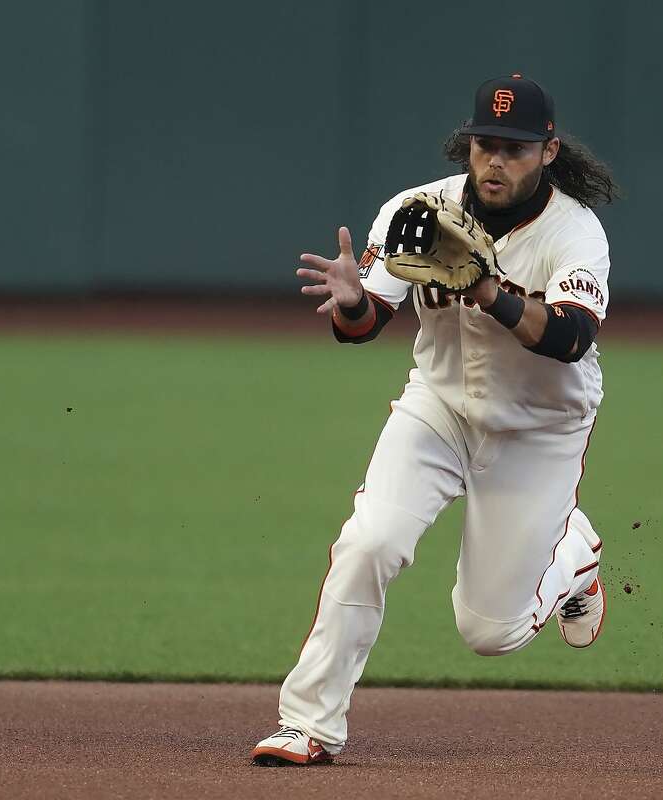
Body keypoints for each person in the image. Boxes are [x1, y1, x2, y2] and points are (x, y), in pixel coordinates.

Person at [251, 74, 620, 767]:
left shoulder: (575, 232)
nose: (496, 161)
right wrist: (352, 300)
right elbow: (360, 328)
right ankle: (309, 724)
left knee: (490, 633)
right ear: (468, 143)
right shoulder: (417, 212)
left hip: (538, 431)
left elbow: (571, 337)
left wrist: (489, 292)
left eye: (514, 148)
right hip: (439, 408)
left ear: (547, 151)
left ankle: (574, 554)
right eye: (486, 144)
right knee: (369, 541)